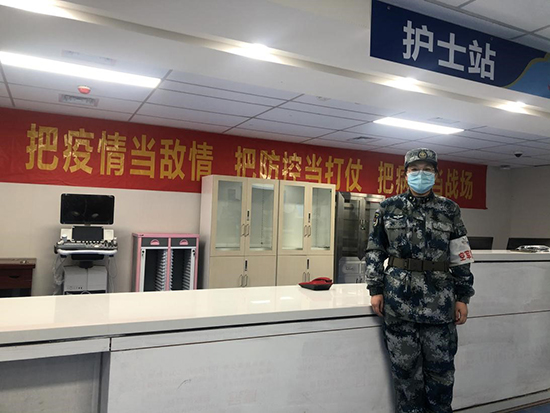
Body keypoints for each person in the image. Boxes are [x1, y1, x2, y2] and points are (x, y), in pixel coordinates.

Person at [365, 148, 475, 413]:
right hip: (399, 304)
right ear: (405, 174)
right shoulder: (389, 207)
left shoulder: (449, 209)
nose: (421, 174)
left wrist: (463, 296)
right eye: (415, 170)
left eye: (427, 170)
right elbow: (375, 250)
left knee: (441, 375)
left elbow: (460, 255)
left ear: (436, 174)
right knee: (405, 376)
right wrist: (375, 288)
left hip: (440, 306)